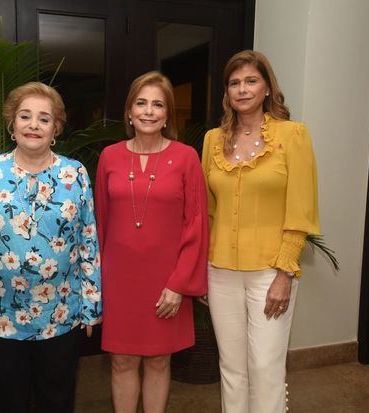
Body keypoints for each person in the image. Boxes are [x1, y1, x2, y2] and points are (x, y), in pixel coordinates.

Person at [0, 82, 102, 413]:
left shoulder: (75, 174)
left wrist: (91, 304)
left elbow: (88, 241)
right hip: (1, 317)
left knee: (56, 403)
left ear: (56, 127)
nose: (33, 125)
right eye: (25, 116)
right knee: (7, 403)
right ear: (12, 124)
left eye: (44, 119)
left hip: (60, 315)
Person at [201, 50, 320, 413]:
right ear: (227, 92)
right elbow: (207, 212)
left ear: (267, 87)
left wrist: (285, 273)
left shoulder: (292, 136)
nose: (242, 89)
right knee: (232, 369)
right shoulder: (211, 141)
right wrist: (200, 272)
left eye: (251, 81)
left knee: (265, 367)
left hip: (270, 272)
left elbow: (301, 211)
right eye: (234, 83)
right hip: (220, 272)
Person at [95, 71, 209, 413]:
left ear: (167, 114)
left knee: (160, 361)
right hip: (119, 281)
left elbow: (197, 224)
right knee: (122, 361)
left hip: (167, 282)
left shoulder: (187, 157)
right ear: (129, 112)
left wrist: (179, 285)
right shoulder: (109, 157)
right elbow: (99, 222)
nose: (148, 111)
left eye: (157, 104)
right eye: (141, 103)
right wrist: (96, 284)